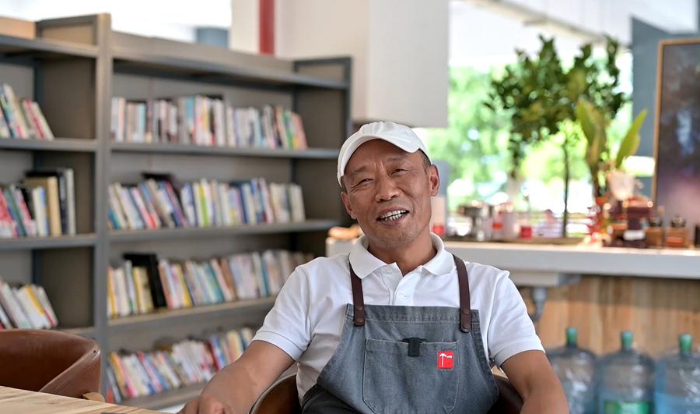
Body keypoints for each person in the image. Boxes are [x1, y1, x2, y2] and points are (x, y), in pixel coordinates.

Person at [180, 122, 568, 414]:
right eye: (364, 181)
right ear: (349, 204)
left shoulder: (489, 288)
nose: (385, 191)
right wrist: (218, 400)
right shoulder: (314, 282)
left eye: (399, 171)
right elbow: (251, 373)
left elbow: (541, 386)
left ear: (432, 180)